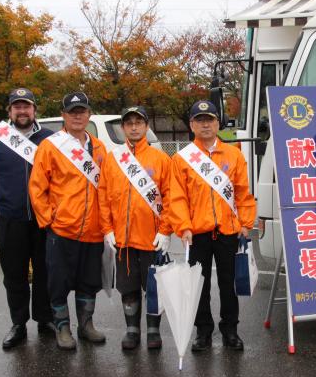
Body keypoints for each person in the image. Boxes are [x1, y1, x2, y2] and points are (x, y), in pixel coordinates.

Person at [169, 100, 256, 352]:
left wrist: (246, 223)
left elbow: (242, 193)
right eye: (199, 120)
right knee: (199, 284)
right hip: (197, 233)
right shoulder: (182, 158)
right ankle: (203, 331)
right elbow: (177, 197)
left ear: (218, 123)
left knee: (229, 284)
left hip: (228, 230)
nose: (205, 124)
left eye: (210, 119)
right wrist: (183, 226)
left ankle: (230, 330)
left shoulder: (234, 155)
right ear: (192, 125)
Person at [0, 88, 55, 349]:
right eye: (17, 107)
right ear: (9, 111)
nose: (22, 111)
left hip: (44, 220)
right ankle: (18, 323)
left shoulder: (51, 139)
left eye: (27, 106)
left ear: (35, 110)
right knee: (14, 273)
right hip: (12, 219)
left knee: (45, 271)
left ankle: (46, 319)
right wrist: (8, 197)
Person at [29, 92, 108, 350]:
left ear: (89, 115)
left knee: (88, 281)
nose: (77, 115)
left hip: (93, 231)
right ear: (63, 115)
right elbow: (37, 187)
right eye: (72, 111)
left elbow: (107, 188)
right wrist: (48, 219)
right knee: (58, 282)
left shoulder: (99, 148)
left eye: (82, 111)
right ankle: (63, 327)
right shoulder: (51, 146)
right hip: (62, 229)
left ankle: (86, 325)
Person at [98, 106, 172, 350]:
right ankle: (131, 329)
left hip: (152, 239)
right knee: (128, 288)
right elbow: (104, 195)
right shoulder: (112, 158)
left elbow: (172, 198)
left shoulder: (161, 159)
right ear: (122, 128)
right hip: (123, 240)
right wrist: (107, 228)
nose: (133, 126)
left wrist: (166, 230)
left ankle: (153, 330)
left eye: (138, 122)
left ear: (146, 126)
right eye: (128, 122)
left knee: (153, 287)